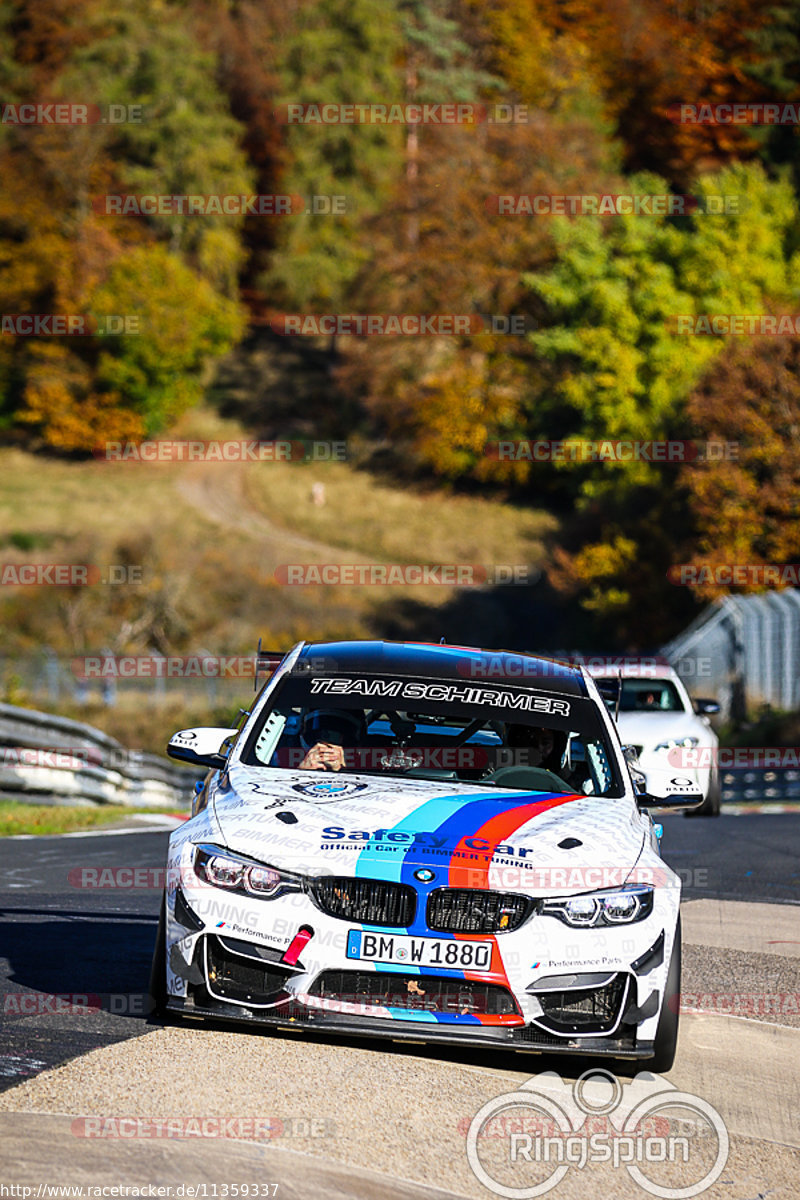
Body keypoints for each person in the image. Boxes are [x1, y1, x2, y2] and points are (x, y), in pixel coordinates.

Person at [298, 708, 365, 771]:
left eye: (335, 737)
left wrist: (343, 772)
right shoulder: (289, 765)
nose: (324, 747)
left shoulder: (369, 772)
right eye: (317, 735)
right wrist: (303, 772)